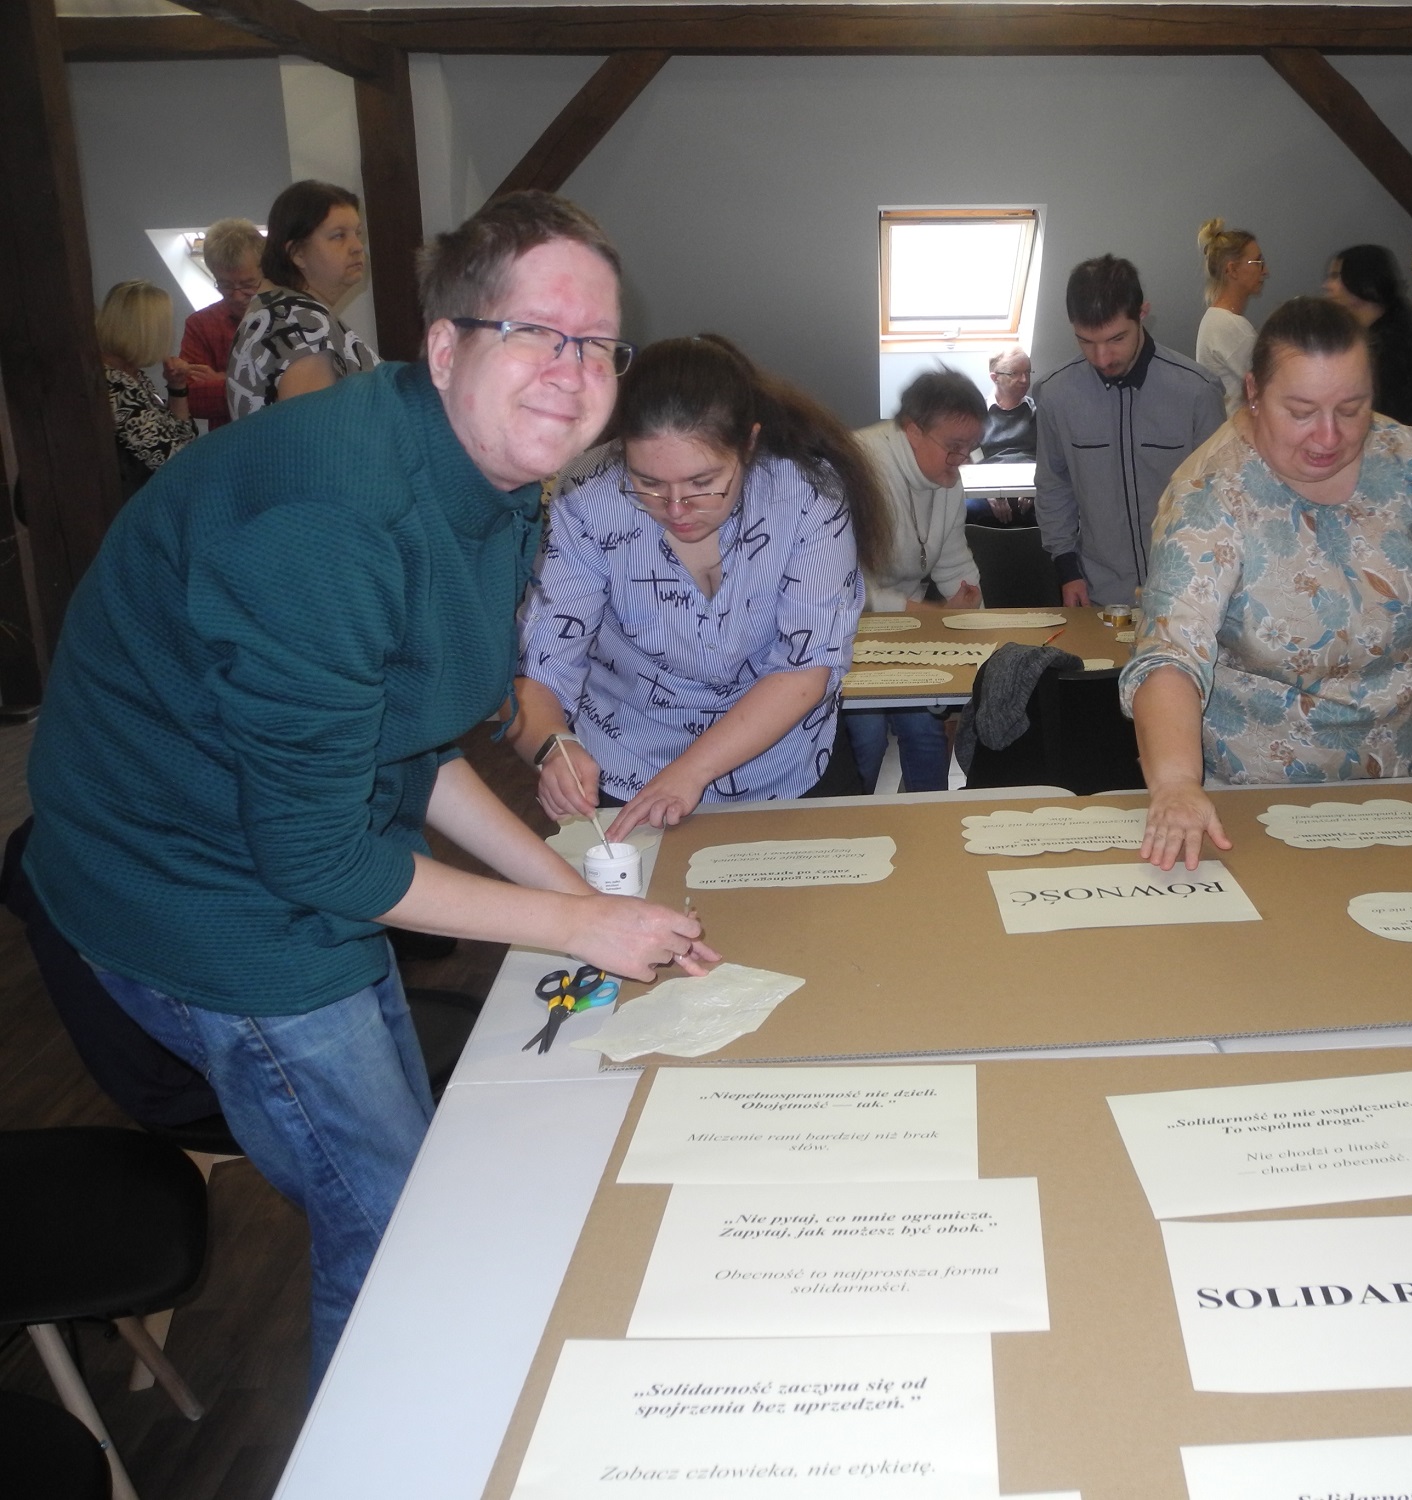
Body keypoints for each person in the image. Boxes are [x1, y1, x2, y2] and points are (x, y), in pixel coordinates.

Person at [25, 192, 713, 1389]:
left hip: (295, 843)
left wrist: (571, 895)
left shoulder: (489, 472)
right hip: (199, 885)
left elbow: (412, 739)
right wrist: (575, 926)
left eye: (599, 344)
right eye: (536, 333)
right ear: (445, 346)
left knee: (415, 1185)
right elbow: (313, 858)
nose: (573, 372)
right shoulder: (334, 513)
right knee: (393, 1227)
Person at [1123, 296, 1412, 871]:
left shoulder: (1404, 455)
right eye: (1301, 411)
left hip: (1399, 790)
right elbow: (1170, 653)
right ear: (1254, 391)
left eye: (1352, 408)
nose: (1328, 436)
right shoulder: (1211, 494)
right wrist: (1175, 784)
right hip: (1260, 806)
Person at [515, 334, 888, 828]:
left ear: (749, 445)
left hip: (784, 760)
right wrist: (553, 745)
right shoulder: (586, 494)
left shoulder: (805, 494)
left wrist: (691, 771)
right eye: (648, 482)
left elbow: (805, 667)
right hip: (629, 760)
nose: (676, 509)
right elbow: (544, 662)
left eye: (702, 483)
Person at [1036, 255, 1227, 608]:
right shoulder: (1055, 395)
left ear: (1142, 314)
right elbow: (1053, 485)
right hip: (1098, 591)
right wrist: (1066, 568)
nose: (1102, 357)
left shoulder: (1198, 391)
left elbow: (1221, 495)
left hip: (1187, 589)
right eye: (1086, 341)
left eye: (1116, 338)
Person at [844, 370, 986, 793]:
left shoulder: (945, 475)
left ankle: (929, 823)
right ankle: (851, 822)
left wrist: (978, 627)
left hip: (909, 624)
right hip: (847, 626)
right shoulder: (856, 467)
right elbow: (839, 584)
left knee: (924, 733)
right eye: (954, 447)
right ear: (913, 431)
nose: (963, 459)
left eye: (972, 447)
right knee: (867, 739)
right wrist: (928, 613)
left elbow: (953, 559)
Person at [226, 179, 377, 419]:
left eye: (357, 233)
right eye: (338, 236)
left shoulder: (281, 309)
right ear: (297, 254)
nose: (357, 247)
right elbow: (312, 431)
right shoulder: (297, 320)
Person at [98, 280, 199, 495]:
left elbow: (185, 437)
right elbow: (172, 460)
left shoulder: (132, 374)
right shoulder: (115, 386)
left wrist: (177, 387)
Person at [1323, 243, 1412, 425]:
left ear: (1360, 282)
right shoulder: (1371, 339)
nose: (1328, 286)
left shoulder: (1390, 351)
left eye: (1336, 277)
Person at [178, 217, 266, 429]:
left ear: (265, 272)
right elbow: (191, 399)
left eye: (248, 284)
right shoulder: (200, 324)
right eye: (225, 285)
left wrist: (224, 380)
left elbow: (300, 391)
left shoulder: (288, 316)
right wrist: (260, 386)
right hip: (229, 444)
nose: (237, 296)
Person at [1194, 219, 1266, 414]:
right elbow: (1271, 384)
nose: (1265, 271)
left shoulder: (1216, 320)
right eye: (1258, 263)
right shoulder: (1228, 325)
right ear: (1232, 269)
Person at [971, 345, 1035, 525]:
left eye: (1027, 372)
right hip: (989, 484)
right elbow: (970, 457)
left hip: (1031, 487)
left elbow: (1051, 457)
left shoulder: (1038, 412)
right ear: (995, 378)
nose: (1025, 380)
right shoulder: (977, 414)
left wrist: (1034, 488)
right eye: (1015, 374)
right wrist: (988, 492)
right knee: (967, 511)